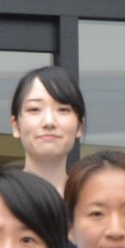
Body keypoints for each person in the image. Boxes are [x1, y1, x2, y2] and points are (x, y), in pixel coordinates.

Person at [11, 65, 88, 193]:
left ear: (79, 126)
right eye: (34, 109)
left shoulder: (88, 197)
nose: (49, 122)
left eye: (63, 109)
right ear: (15, 126)